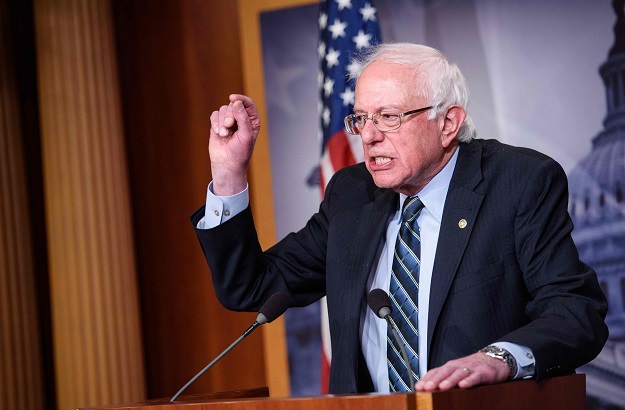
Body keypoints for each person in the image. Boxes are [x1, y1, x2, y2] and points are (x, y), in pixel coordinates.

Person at [191, 43, 608, 394]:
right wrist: (228, 174)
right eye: (361, 118)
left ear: (448, 123)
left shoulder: (517, 183)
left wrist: (499, 359)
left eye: (389, 117)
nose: (369, 135)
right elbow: (251, 289)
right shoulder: (352, 195)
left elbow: (575, 313)